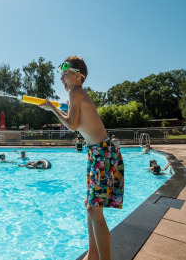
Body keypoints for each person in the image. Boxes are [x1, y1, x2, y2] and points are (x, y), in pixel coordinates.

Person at [39, 56, 123, 260]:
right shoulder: (76, 94)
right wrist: (61, 107)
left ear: (77, 76)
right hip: (98, 152)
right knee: (89, 205)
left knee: (95, 212)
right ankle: (92, 255)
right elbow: (76, 117)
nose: (61, 79)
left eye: (64, 74)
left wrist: (53, 109)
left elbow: (73, 125)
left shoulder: (76, 92)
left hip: (102, 153)